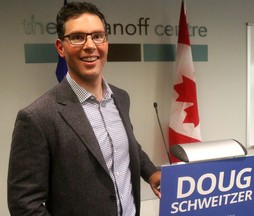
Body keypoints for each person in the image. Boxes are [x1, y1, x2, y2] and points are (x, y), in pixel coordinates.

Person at [7, 2, 161, 216]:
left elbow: (127, 143)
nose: (90, 45)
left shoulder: (121, 98)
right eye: (78, 37)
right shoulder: (37, 118)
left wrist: (152, 173)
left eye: (97, 36)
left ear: (106, 42)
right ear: (61, 47)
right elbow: (24, 205)